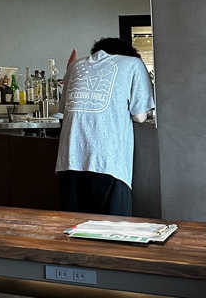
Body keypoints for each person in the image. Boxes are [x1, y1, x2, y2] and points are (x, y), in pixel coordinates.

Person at [56, 37, 155, 216]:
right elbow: (140, 116)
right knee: (113, 229)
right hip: (109, 164)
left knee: (73, 226)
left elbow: (63, 109)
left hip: (69, 163)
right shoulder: (133, 63)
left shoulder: (76, 66)